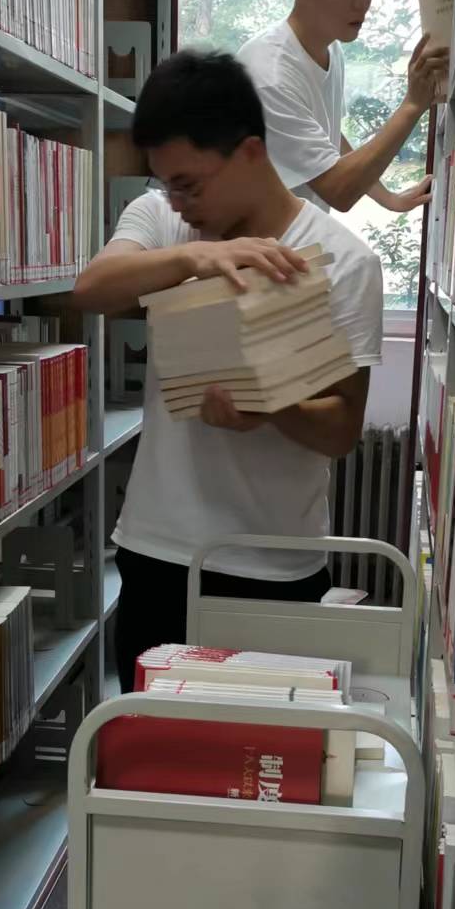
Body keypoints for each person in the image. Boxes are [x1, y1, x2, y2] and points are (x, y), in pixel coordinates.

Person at [72, 49, 383, 692]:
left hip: (276, 566)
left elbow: (341, 429)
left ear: (249, 152)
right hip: (158, 553)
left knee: (262, 747)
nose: (179, 202)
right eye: (167, 184)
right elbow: (93, 289)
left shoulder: (344, 261)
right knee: (149, 743)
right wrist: (195, 260)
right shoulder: (164, 222)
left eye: (191, 184)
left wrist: (274, 409)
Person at [238, 0, 445, 214]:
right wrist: (412, 105)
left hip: (294, 236)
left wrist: (388, 198)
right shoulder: (269, 74)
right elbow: (339, 191)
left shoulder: (329, 48)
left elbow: (327, 138)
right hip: (252, 243)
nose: (364, 2)